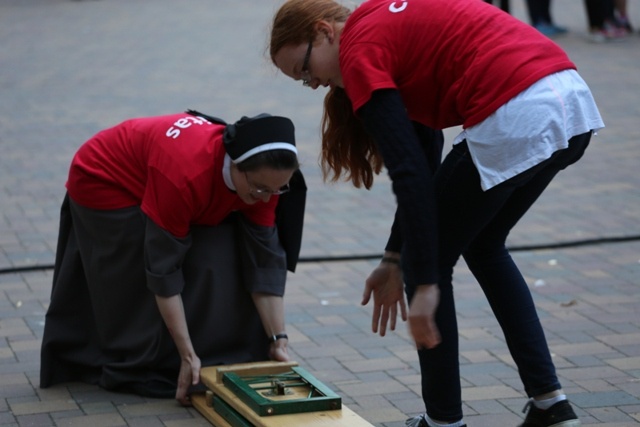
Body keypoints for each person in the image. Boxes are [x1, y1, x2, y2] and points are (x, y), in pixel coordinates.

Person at [269, 0, 604, 426]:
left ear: (324, 31)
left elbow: (409, 175)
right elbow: (426, 164)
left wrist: (422, 279)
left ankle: (445, 421)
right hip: (571, 102)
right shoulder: (386, 30)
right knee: (483, 244)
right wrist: (394, 258)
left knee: (432, 260)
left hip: (516, 111)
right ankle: (551, 406)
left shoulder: (358, 50)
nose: (313, 83)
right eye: (301, 81)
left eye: (303, 68)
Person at [40, 110, 306, 406]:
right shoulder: (185, 175)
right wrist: (187, 356)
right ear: (236, 165)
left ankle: (204, 347)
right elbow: (163, 271)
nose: (267, 198)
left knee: (217, 252)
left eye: (277, 189)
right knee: (143, 271)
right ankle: (144, 360)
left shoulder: (266, 179)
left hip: (160, 175)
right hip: (105, 179)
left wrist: (277, 339)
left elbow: (264, 261)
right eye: (260, 188)